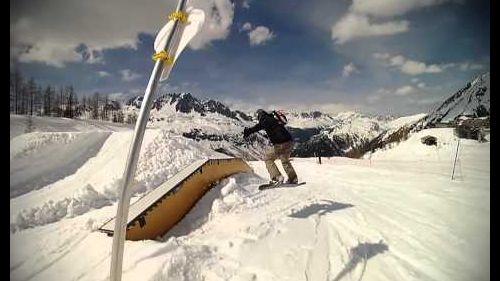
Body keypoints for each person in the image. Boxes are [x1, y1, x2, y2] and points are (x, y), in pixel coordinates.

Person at [243, 109, 298, 184]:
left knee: (268, 158)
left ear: (259, 116)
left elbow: (257, 127)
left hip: (280, 143)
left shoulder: (264, 120)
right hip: (289, 142)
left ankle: (277, 177)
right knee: (285, 160)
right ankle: (293, 178)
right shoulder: (273, 118)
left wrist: (248, 131)